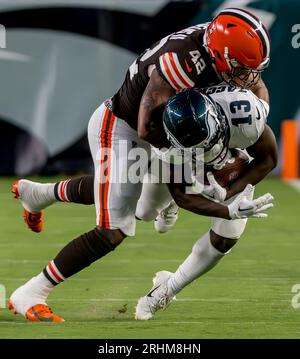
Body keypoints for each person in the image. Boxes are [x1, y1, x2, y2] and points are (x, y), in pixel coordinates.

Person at [9, 8, 272, 322]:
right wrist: (196, 171)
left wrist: (242, 128)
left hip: (178, 127)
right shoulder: (181, 63)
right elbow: (150, 130)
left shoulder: (223, 47)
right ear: (218, 56)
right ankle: (32, 291)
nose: (248, 77)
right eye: (241, 68)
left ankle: (41, 194)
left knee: (137, 203)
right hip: (126, 127)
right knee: (115, 228)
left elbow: (255, 94)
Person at [134, 86, 278, 320]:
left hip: (230, 162)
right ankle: (167, 205)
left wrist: (229, 192)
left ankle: (165, 290)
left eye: (207, 141)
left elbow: (268, 158)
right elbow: (183, 194)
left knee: (225, 238)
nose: (206, 150)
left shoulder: (241, 111)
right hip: (181, 164)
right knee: (145, 211)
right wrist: (227, 210)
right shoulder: (160, 135)